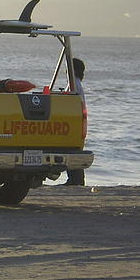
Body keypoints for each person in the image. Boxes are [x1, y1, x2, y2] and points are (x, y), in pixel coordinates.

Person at [64, 57, 86, 186]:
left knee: (71, 149)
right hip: (76, 119)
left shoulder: (74, 84)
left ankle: (75, 180)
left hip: (74, 120)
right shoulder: (76, 83)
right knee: (73, 148)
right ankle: (75, 179)